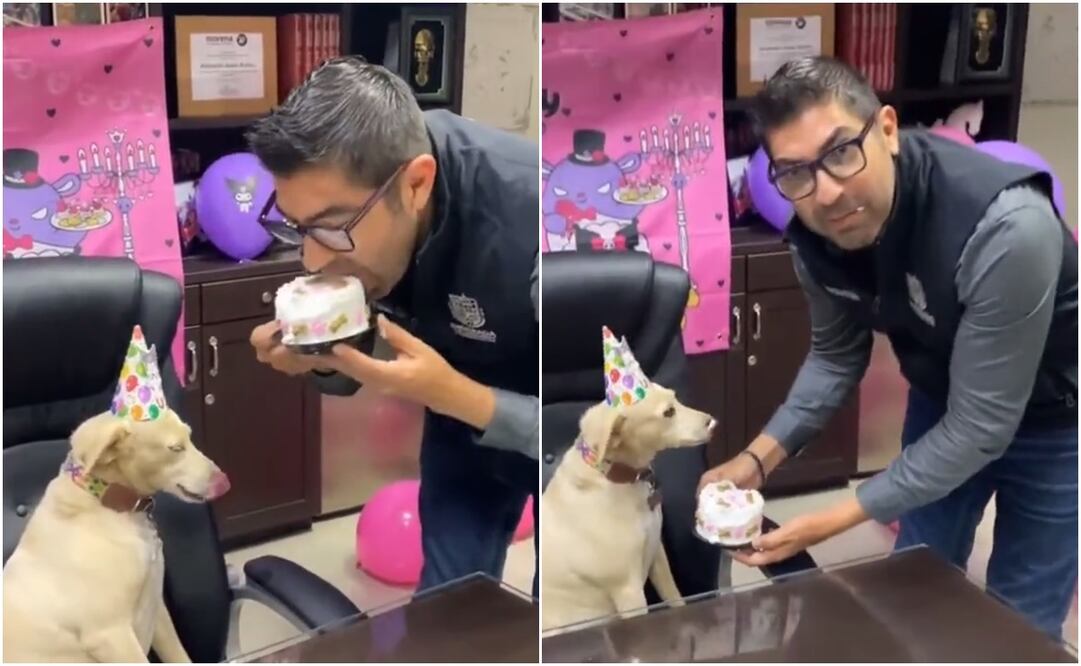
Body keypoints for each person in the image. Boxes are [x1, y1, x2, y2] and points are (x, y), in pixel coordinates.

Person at [699, 56, 1077, 638]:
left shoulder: (1005, 228)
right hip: (942, 397)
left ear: (888, 129)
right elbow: (835, 355)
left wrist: (832, 519)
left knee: (1019, 624)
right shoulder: (814, 235)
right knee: (915, 584)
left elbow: (983, 426)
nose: (825, 193)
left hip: (1058, 420)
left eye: (842, 151)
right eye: (795, 171)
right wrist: (757, 458)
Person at [245, 57, 539, 595]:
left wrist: (457, 394)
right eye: (296, 227)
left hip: (558, 423)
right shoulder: (355, 220)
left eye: (332, 228)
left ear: (417, 184)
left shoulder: (536, 215)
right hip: (457, 425)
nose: (312, 259)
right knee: (446, 609)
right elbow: (360, 362)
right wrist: (322, 353)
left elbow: (599, 427)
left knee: (564, 618)